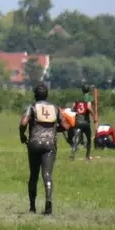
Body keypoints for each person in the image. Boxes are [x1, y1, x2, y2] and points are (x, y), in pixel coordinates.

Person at [19, 83, 70, 215]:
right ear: (47, 95)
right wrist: (54, 129)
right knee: (47, 174)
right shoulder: (56, 108)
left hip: (34, 143)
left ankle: (32, 207)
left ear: (35, 95)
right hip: (50, 144)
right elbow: (65, 126)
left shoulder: (32, 107)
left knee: (34, 175)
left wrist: (22, 135)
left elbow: (23, 123)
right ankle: (48, 202)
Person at [72, 85, 96, 161]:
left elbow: (72, 108)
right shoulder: (89, 97)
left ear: (82, 90)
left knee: (77, 139)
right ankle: (87, 156)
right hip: (85, 122)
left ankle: (72, 153)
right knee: (89, 139)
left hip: (78, 121)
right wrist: (94, 115)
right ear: (88, 90)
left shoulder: (78, 98)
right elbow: (88, 107)